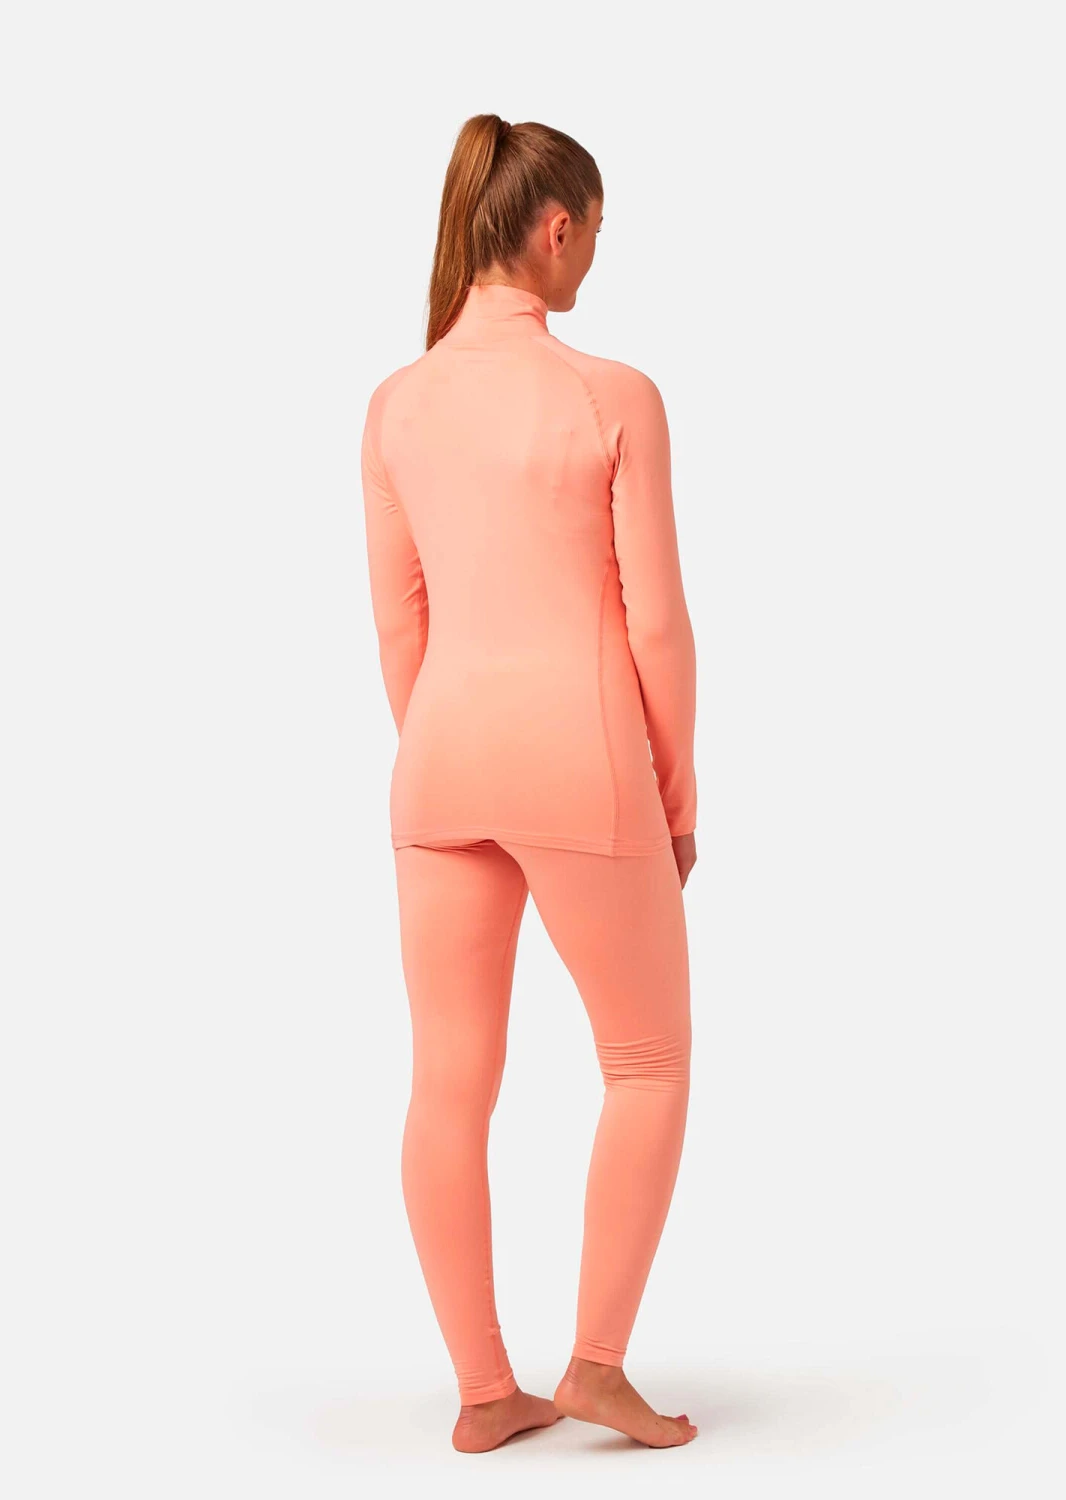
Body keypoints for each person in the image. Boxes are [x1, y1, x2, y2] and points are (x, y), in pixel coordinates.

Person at [361, 114, 699, 1453]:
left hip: (440, 761)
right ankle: (596, 1367)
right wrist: (676, 790)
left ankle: (484, 1389)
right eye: (596, 233)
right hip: (582, 757)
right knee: (647, 1062)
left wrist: (450, 753)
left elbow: (401, 624)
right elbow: (654, 622)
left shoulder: (396, 404)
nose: (595, 256)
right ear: (556, 229)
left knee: (448, 1082)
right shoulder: (613, 396)